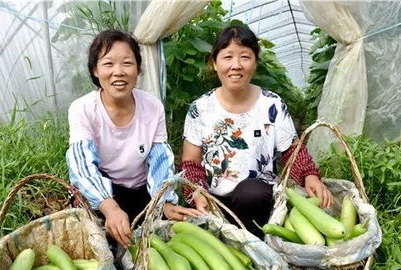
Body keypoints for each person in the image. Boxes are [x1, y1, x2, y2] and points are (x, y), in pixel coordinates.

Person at [181, 25, 333, 237]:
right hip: (213, 202)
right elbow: (191, 164)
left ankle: (254, 238)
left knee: (251, 192)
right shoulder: (200, 108)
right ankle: (227, 236)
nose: (236, 65)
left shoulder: (272, 105)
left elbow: (291, 151)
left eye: (245, 57)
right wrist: (197, 193)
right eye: (227, 57)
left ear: (255, 63)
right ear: (214, 63)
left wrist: (309, 175)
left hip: (257, 200)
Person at [66, 29, 202, 247]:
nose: (118, 72)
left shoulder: (152, 106)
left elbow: (159, 158)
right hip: (106, 191)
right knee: (101, 239)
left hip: (142, 189)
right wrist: (110, 208)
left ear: (139, 69)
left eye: (127, 63)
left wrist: (163, 202)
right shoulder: (83, 109)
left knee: (165, 235)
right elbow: (82, 165)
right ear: (95, 70)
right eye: (108, 64)